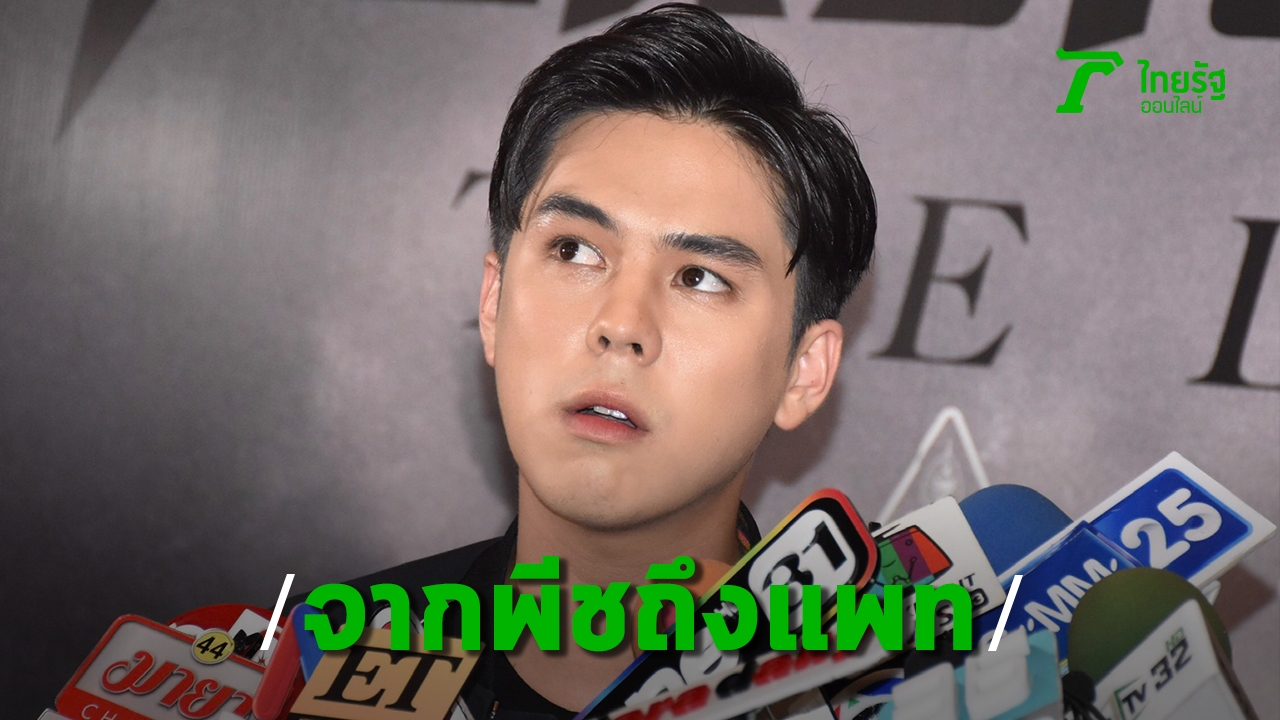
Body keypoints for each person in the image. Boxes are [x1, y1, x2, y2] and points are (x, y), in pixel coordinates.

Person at [301, 3, 875, 716]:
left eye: (700, 277)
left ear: (804, 372)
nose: (620, 325)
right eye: (574, 250)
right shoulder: (319, 664)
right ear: (493, 303)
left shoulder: (903, 689)